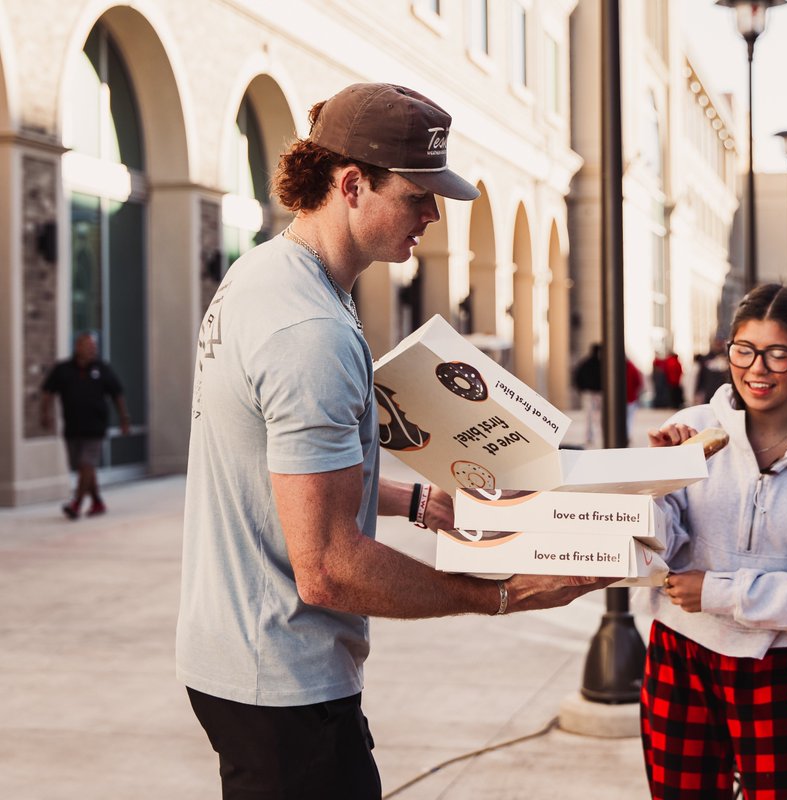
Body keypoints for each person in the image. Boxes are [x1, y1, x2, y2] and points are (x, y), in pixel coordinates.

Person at [176, 83, 608, 799]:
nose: (433, 215)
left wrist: (417, 502)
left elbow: (280, 474)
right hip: (283, 678)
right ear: (352, 186)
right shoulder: (309, 332)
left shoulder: (264, 274)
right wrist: (501, 595)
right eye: (417, 197)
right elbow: (329, 568)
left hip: (237, 654)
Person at [642, 283, 787, 798]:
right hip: (682, 649)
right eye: (744, 350)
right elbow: (655, 548)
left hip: (786, 663)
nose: (757, 369)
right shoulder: (690, 429)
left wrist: (719, 592)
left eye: (777, 353)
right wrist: (656, 480)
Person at [40, 331, 131, 519]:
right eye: (89, 346)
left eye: (94, 347)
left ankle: (76, 504)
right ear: (78, 347)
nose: (93, 350)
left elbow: (117, 394)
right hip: (72, 427)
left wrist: (124, 418)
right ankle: (97, 502)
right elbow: (48, 392)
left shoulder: (102, 369)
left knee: (87, 463)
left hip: (96, 427)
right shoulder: (63, 369)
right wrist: (45, 414)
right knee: (82, 467)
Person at [572, 343, 603, 445]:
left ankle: (591, 436)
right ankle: (596, 435)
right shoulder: (601, 364)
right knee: (597, 415)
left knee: (590, 416)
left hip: (591, 393)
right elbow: (577, 378)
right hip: (594, 393)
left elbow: (577, 377)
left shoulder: (585, 363)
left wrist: (581, 390)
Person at [693, 335, 730, 405]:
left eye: (720, 342)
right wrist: (698, 391)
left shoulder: (727, 358)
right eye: (717, 342)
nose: (718, 345)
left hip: (723, 392)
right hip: (708, 392)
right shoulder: (706, 358)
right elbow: (701, 376)